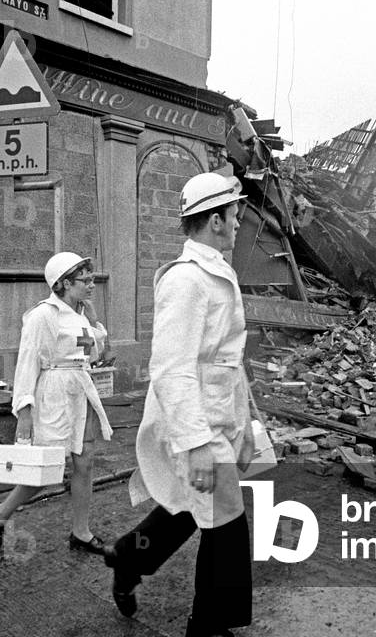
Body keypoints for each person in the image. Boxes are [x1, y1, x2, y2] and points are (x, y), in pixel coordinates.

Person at [105, 172, 257, 637]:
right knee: (226, 519)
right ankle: (209, 626)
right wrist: (194, 445)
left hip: (217, 416)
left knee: (188, 509)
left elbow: (229, 359)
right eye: (233, 214)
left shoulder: (215, 271)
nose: (238, 222)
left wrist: (248, 425)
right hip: (193, 424)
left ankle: (130, 555)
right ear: (214, 220)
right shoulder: (186, 281)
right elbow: (171, 368)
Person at [0, 252, 113, 555]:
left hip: (80, 393)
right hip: (53, 397)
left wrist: (93, 321)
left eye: (92, 277)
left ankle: (81, 533)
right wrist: (25, 415)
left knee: (85, 461)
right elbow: (27, 364)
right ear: (65, 283)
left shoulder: (80, 313)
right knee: (47, 471)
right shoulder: (43, 315)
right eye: (86, 279)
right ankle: (0, 514)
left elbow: (95, 356)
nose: (92, 284)